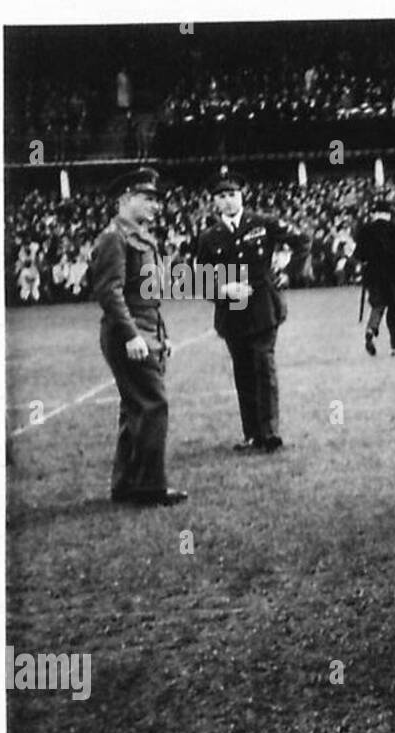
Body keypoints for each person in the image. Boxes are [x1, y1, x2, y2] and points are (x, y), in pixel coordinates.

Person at [89, 167, 187, 506]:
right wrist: (132, 335)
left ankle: (127, 483)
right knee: (152, 405)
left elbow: (150, 293)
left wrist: (163, 333)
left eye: (156, 199)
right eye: (147, 198)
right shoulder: (114, 237)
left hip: (146, 329)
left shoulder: (140, 236)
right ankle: (148, 487)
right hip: (128, 333)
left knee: (135, 408)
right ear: (125, 199)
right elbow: (110, 292)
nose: (155, 205)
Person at [196, 168, 310, 453]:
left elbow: (303, 240)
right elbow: (200, 280)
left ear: (242, 195)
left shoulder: (262, 223)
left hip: (262, 307)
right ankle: (252, 435)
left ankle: (270, 432)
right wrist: (224, 290)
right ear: (214, 202)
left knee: (263, 365)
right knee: (243, 372)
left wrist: (289, 273)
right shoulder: (209, 237)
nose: (228, 201)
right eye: (221, 196)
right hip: (232, 311)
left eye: (232, 194)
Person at [354, 194, 395, 356]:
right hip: (393, 274)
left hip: (373, 273)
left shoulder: (365, 230)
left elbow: (359, 255)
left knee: (377, 305)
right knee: (394, 308)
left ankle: (371, 329)